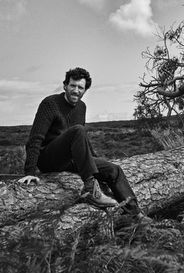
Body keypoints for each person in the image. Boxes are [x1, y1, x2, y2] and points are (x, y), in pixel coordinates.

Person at [19, 67, 150, 223]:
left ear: (85, 90)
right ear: (65, 86)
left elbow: (81, 141)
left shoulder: (82, 107)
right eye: (72, 86)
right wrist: (29, 171)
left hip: (70, 158)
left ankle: (135, 214)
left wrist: (95, 162)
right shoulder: (50, 104)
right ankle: (91, 190)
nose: (76, 90)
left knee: (114, 169)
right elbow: (35, 138)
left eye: (80, 87)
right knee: (78, 130)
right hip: (48, 158)